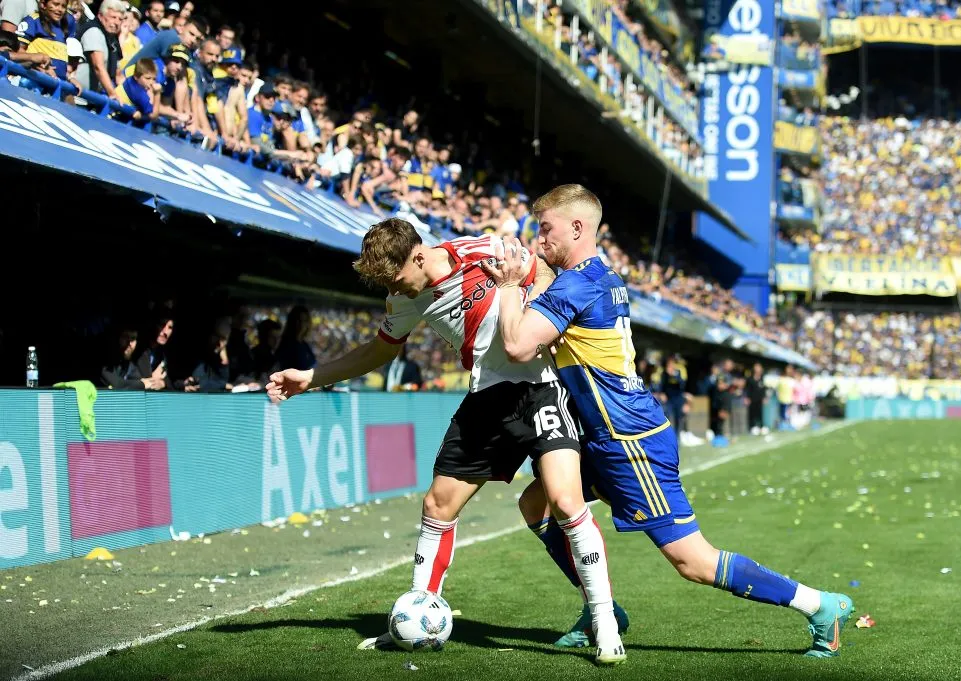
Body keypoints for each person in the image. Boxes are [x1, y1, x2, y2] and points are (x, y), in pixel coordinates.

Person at [480, 184, 855, 659]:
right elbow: (547, 293)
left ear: (577, 228)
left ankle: (820, 605)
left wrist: (510, 285)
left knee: (692, 561)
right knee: (536, 504)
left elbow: (518, 345)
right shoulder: (596, 276)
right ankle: (603, 609)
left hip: (627, 441)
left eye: (546, 229)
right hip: (603, 435)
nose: (538, 240)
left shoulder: (579, 283)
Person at [266, 219, 626, 665]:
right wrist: (311, 377)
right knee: (438, 505)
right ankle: (417, 612)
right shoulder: (404, 298)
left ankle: (605, 621)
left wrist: (538, 318)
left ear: (418, 256)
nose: (393, 289)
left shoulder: (481, 249)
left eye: (395, 277)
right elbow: (377, 352)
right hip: (486, 398)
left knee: (566, 502)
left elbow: (546, 275)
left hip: (541, 388)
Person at [745, 362, 767, 435]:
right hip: (752, 399)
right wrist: (747, 398)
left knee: (760, 413)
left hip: (760, 399)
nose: (758, 369)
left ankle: (761, 426)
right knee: (752, 414)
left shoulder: (762, 378)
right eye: (756, 367)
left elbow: (764, 389)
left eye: (759, 367)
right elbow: (747, 389)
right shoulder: (750, 379)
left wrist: (764, 397)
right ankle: (752, 427)